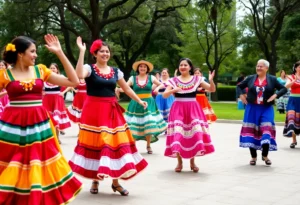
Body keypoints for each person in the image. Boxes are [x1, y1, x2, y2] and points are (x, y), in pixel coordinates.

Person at [0, 34, 82, 204]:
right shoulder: (4, 75)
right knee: (12, 166)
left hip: (39, 127)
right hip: (12, 128)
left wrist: (60, 53)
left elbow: (74, 81)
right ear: (20, 54)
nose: (36, 55)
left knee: (38, 165)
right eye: (32, 51)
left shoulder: (41, 71)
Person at [69, 37, 148, 196]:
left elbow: (126, 89)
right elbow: (78, 75)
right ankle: (95, 179)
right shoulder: (89, 68)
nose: (105, 54)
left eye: (107, 51)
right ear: (95, 54)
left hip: (112, 112)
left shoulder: (115, 71)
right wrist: (82, 52)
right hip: (94, 112)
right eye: (102, 51)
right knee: (98, 144)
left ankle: (115, 182)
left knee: (113, 144)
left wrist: (139, 100)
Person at [163, 58, 215, 172]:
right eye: (181, 65)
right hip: (178, 109)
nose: (183, 67)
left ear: (190, 67)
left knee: (194, 134)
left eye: (185, 65)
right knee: (178, 135)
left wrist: (211, 80)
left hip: (193, 108)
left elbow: (211, 89)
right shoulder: (174, 80)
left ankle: (192, 162)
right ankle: (179, 163)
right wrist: (173, 90)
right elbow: (165, 95)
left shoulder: (197, 79)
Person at [238, 59, 287, 166]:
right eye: (257, 66)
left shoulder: (272, 79)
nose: (258, 68)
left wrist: (275, 95)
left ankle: (265, 155)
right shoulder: (251, 78)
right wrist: (242, 96)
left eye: (261, 66)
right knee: (251, 131)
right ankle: (253, 157)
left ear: (266, 68)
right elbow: (239, 86)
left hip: (266, 108)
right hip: (252, 108)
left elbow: (283, 89)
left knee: (267, 130)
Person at [120, 60, 167, 154]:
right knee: (134, 125)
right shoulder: (132, 78)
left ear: (147, 69)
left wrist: (157, 88)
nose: (142, 68)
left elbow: (162, 84)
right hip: (136, 103)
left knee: (148, 124)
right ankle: (134, 146)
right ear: (138, 69)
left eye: (144, 67)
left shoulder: (151, 77)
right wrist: (117, 89)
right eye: (141, 67)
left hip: (149, 104)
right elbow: (125, 87)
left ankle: (148, 145)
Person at [42, 63, 72, 143]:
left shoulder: (60, 77)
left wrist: (63, 92)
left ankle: (57, 138)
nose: (52, 69)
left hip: (57, 100)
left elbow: (71, 83)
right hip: (47, 100)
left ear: (57, 69)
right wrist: (42, 92)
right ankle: (50, 138)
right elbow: (39, 87)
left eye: (54, 68)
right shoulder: (45, 78)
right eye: (51, 68)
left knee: (56, 119)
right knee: (48, 120)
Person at [283, 62, 300, 148]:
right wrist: (293, 81)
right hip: (293, 100)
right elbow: (286, 86)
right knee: (292, 119)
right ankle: (294, 140)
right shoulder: (291, 77)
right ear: (296, 68)